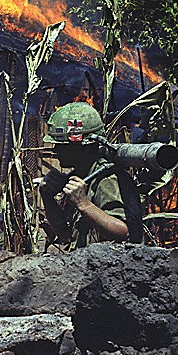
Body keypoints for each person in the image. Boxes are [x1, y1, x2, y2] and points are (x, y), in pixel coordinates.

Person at [39, 102, 129, 249]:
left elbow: (122, 231)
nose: (56, 150)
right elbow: (65, 235)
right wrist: (47, 196)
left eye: (63, 145)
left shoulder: (105, 178)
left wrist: (84, 204)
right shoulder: (81, 175)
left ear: (84, 147)